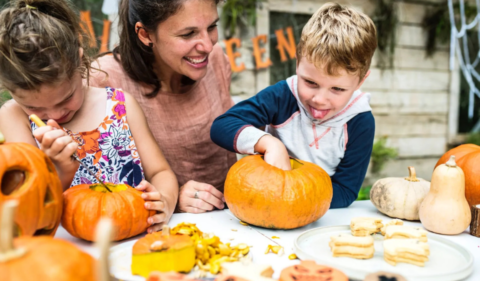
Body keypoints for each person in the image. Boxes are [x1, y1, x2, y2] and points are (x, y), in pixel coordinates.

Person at [0, 0, 178, 233]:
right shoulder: (14, 117)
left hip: (135, 238)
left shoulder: (120, 105)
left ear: (81, 61)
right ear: (10, 91)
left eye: (65, 98)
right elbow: (27, 207)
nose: (54, 114)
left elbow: (160, 172)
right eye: (33, 107)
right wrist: (59, 170)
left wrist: (164, 199)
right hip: (64, 250)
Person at [211, 3, 377, 208]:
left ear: (360, 81)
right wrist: (270, 143)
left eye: (337, 89)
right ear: (298, 63)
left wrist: (291, 197)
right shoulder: (283, 96)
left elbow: (345, 191)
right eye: (310, 83)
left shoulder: (360, 121)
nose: (319, 99)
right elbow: (222, 125)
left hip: (314, 214)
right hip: (264, 202)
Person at [89, 0, 236, 214]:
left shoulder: (216, 60)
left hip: (230, 223)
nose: (207, 45)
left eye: (212, 27)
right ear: (145, 34)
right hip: (152, 232)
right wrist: (170, 198)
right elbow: (90, 188)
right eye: (188, 34)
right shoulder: (103, 79)